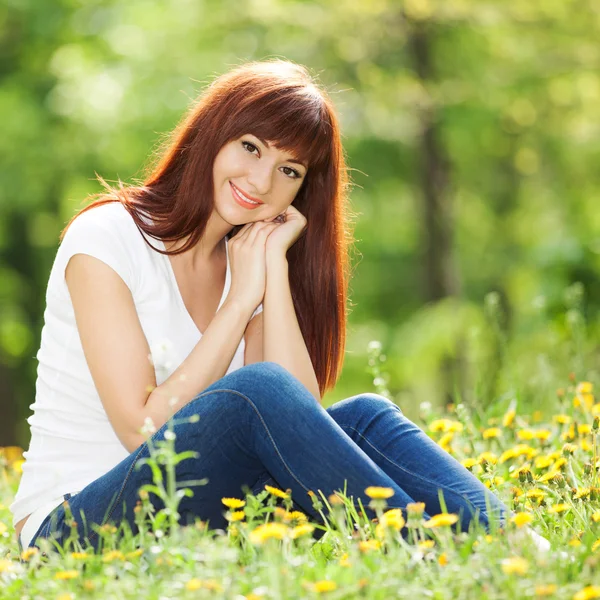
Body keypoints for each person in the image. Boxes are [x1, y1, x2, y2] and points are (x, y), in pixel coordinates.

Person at [10, 59, 548, 556]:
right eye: (251, 147)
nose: (262, 181)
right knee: (255, 390)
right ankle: (416, 556)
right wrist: (241, 301)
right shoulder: (107, 238)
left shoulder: (247, 257)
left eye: (290, 170)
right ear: (211, 135)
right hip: (72, 528)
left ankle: (512, 548)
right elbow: (144, 427)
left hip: (189, 513)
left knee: (364, 416)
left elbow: (299, 415)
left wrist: (270, 271)